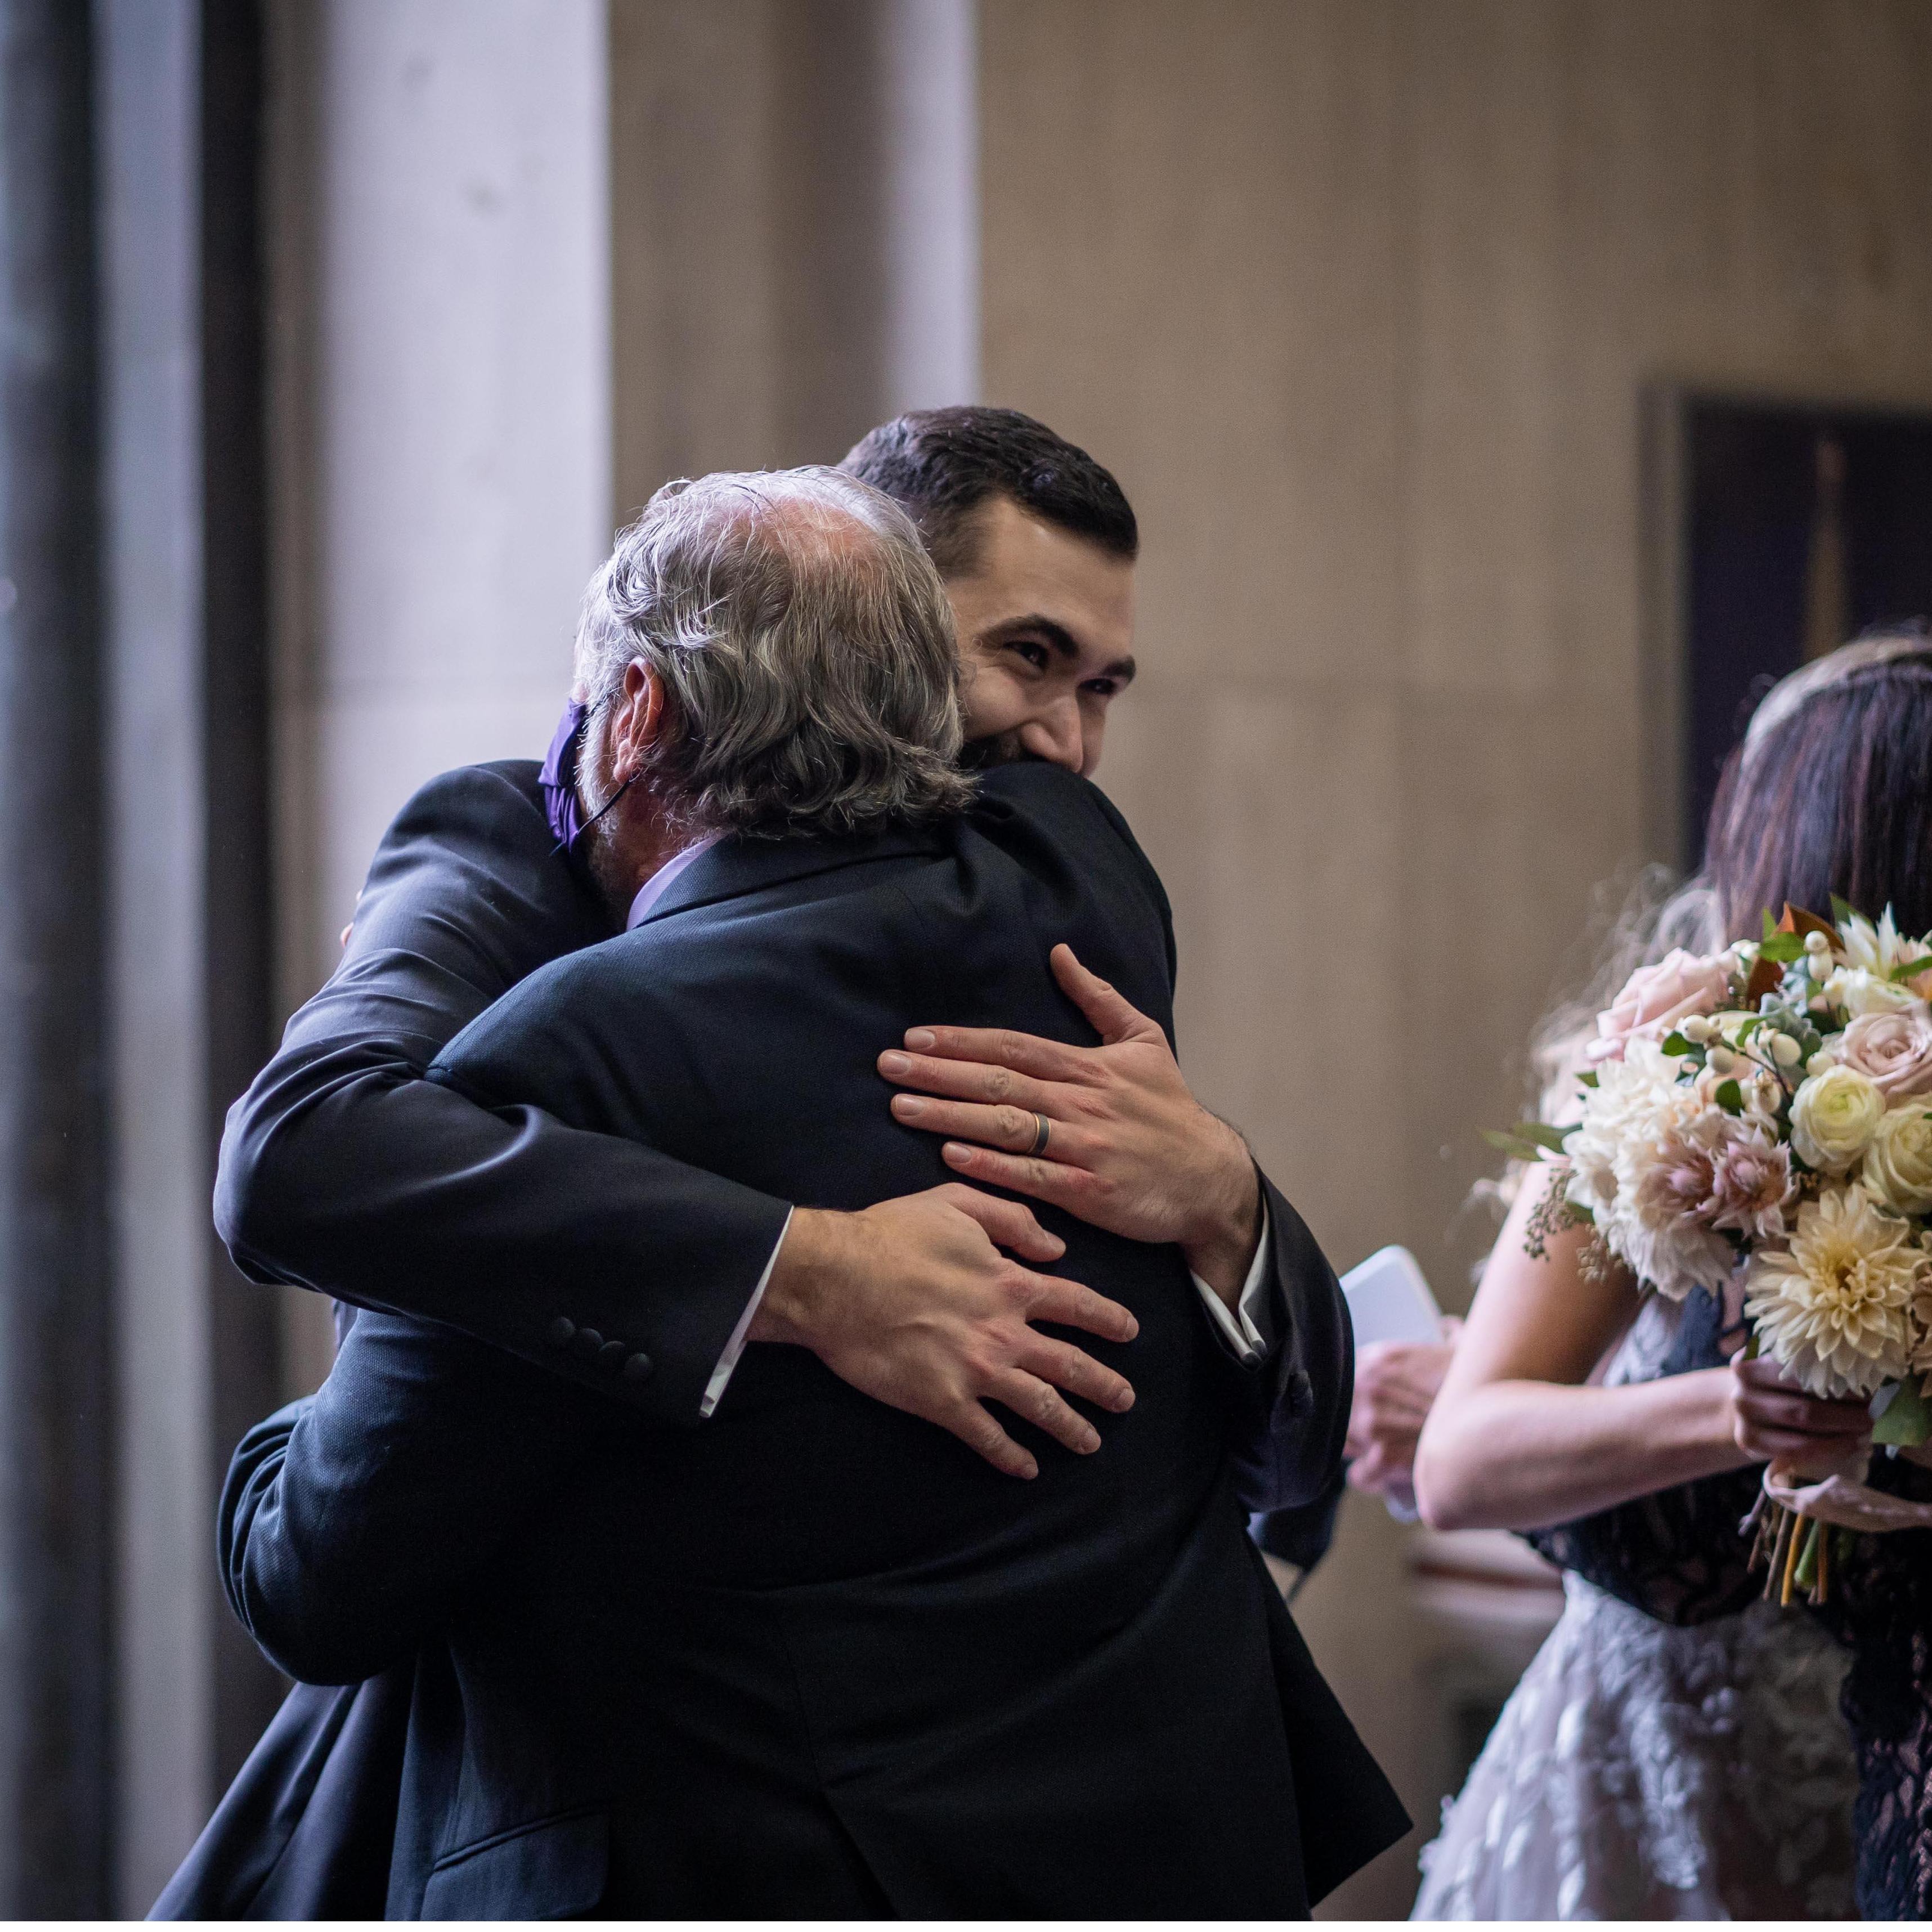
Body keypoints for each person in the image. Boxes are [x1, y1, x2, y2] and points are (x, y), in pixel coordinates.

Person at [153, 409, 1350, 1915]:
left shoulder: (1045, 868)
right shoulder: (1052, 878)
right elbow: (307, 1147)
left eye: (1099, 685)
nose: (1063, 742)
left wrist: (1230, 1197)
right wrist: (803, 1267)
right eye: (1025, 659)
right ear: (897, 643)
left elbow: (317, 1575)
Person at [1405, 634, 1932, 1918]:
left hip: (1867, 1766)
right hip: (1654, 1790)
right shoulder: (1672, 1095)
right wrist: (1733, 1413)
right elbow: (1458, 1457)